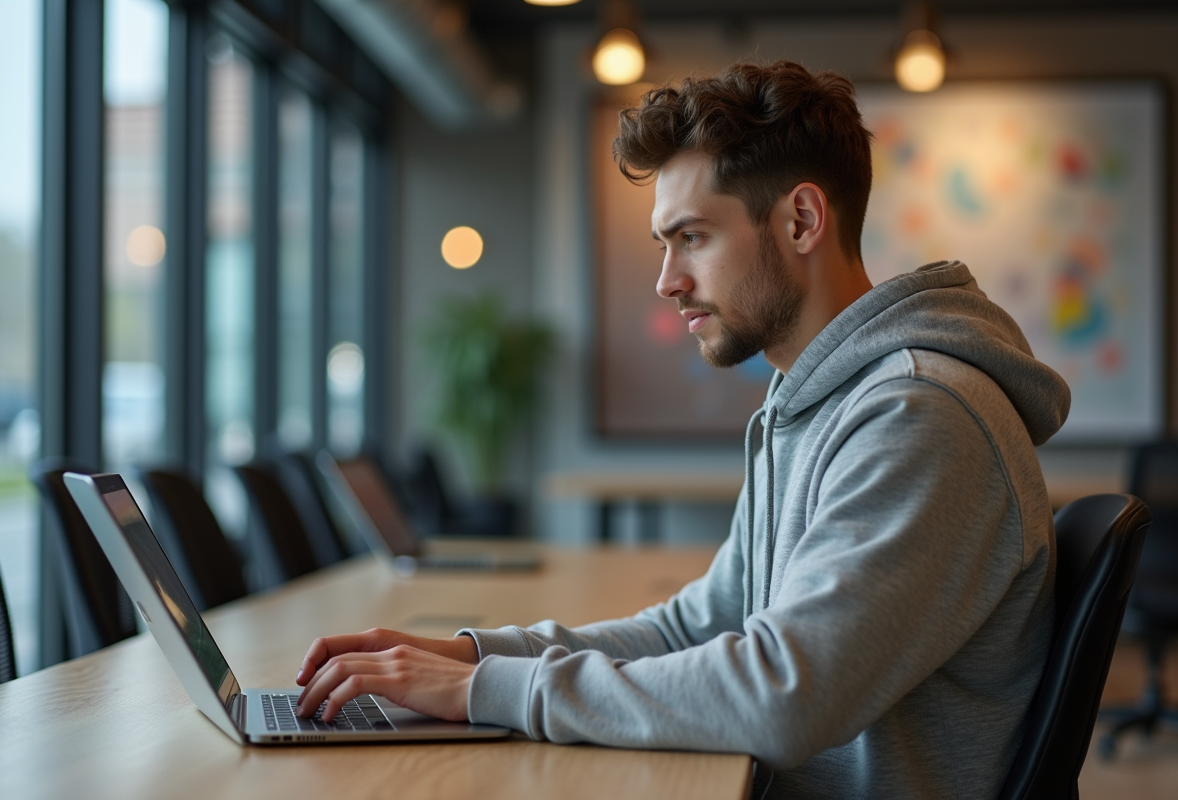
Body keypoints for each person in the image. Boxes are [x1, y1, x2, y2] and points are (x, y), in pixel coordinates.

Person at [294, 60, 1070, 799]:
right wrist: (471, 655)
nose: (667, 280)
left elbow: (784, 696)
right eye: (664, 245)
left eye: (692, 237)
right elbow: (698, 627)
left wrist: (483, 691)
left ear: (801, 220)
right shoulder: (811, 402)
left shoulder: (919, 414)